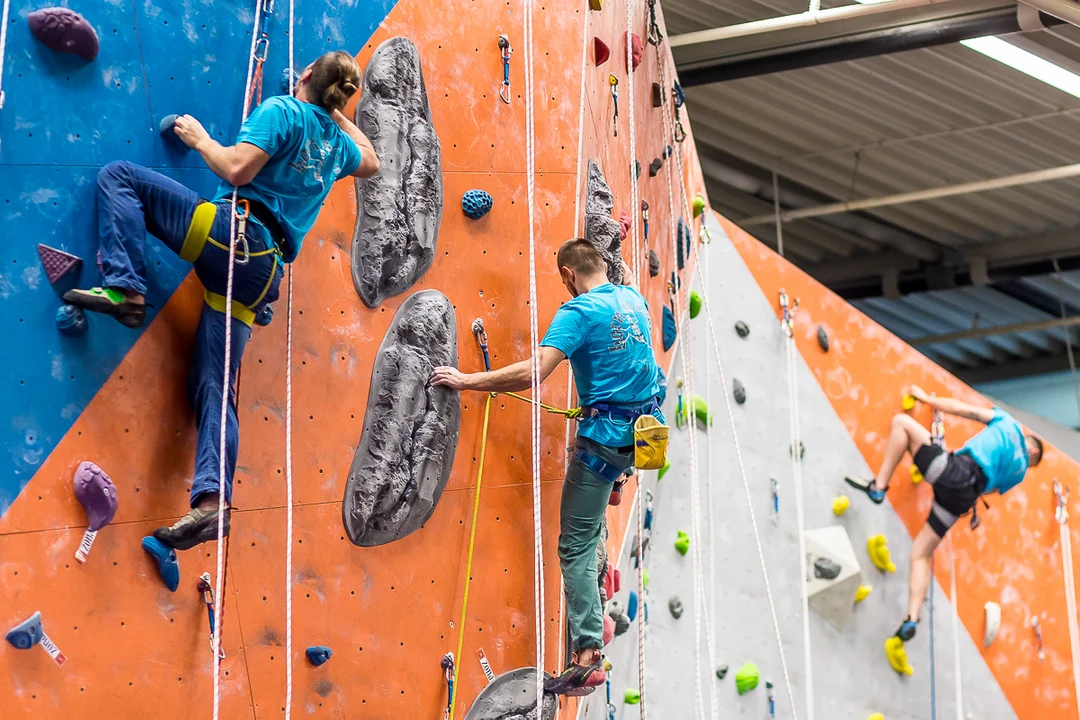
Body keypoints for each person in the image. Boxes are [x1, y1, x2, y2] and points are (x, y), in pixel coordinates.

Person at [63, 51, 380, 552]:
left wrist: (198, 138)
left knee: (120, 176)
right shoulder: (337, 144)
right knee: (217, 387)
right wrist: (336, 109)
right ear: (338, 94)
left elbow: (236, 168)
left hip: (230, 238)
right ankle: (212, 506)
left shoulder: (283, 111)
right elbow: (374, 160)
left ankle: (125, 287)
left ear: (303, 77)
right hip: (264, 272)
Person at [429, 239, 665, 696]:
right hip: (641, 436)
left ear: (567, 275)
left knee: (576, 545)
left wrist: (467, 381)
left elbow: (534, 372)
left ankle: (587, 656)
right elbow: (631, 277)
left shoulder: (577, 314)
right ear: (601, 267)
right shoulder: (631, 298)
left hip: (603, 446)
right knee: (598, 505)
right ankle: (619, 481)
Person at [844, 385, 1043, 644]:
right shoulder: (1019, 473)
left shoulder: (1008, 422)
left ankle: (879, 486)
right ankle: (912, 617)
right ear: (1034, 454)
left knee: (902, 422)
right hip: (963, 498)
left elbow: (967, 411)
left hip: (953, 470)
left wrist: (928, 398)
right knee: (921, 552)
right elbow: (991, 490)